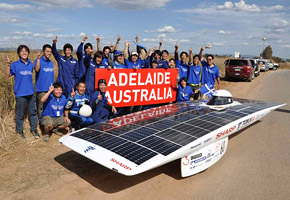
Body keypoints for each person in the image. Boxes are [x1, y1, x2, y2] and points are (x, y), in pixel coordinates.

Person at [6, 45, 39, 139]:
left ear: (28, 53)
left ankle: (34, 129)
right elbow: (8, 76)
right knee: (20, 114)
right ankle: (19, 131)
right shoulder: (15, 64)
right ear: (19, 54)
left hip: (31, 93)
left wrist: (38, 59)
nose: (24, 53)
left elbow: (37, 69)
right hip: (20, 94)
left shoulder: (30, 64)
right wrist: (8, 65)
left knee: (33, 112)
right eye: (22, 51)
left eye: (26, 51)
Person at [34, 44, 54, 118]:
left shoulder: (51, 62)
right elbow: (37, 69)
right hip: (42, 89)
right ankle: (41, 123)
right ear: (43, 52)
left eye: (50, 52)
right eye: (47, 51)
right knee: (41, 108)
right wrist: (38, 59)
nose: (49, 53)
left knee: (49, 107)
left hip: (50, 89)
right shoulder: (38, 60)